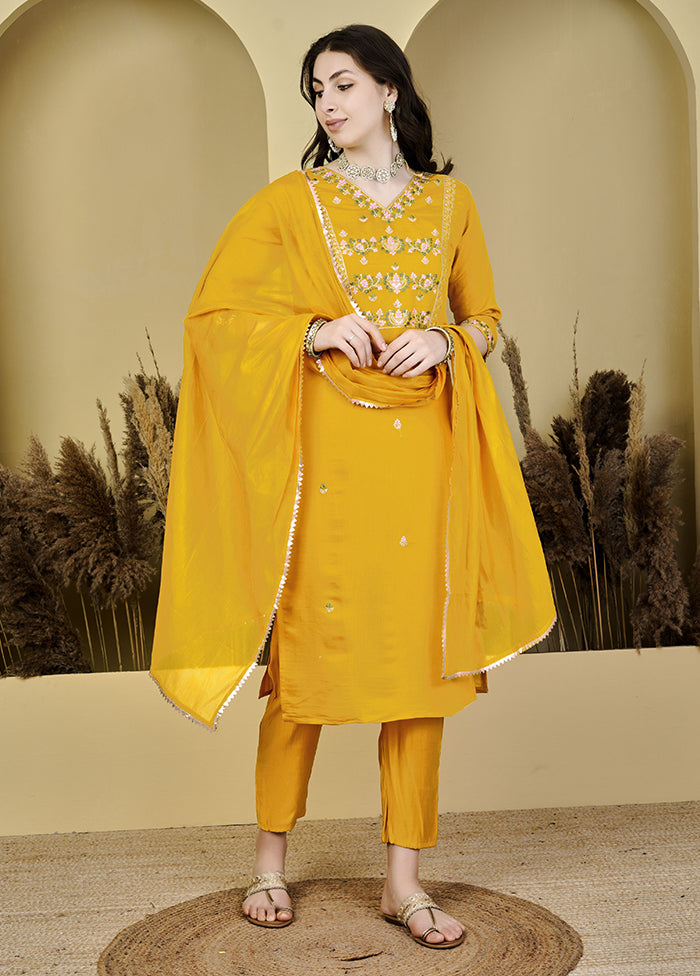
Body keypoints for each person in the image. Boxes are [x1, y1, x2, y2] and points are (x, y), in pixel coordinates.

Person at [150, 24, 555, 951]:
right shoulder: (291, 202)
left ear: (389, 91)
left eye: (341, 84)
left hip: (422, 456)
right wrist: (309, 332)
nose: (327, 104)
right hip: (326, 458)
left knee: (420, 666)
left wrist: (447, 341)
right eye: (316, 92)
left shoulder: (451, 203)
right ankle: (268, 864)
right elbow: (217, 316)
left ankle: (403, 883)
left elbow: (485, 317)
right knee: (308, 664)